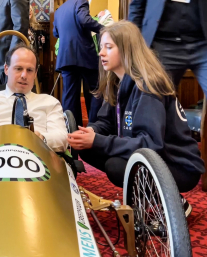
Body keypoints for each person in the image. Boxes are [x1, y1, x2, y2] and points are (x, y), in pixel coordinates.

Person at [67, 21, 205, 216]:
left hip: (178, 166)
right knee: (88, 148)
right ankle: (150, 196)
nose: (101, 53)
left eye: (109, 47)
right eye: (101, 47)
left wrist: (98, 140)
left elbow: (151, 144)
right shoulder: (118, 82)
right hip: (153, 155)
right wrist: (93, 133)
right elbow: (105, 123)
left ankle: (174, 202)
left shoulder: (148, 87)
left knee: (116, 167)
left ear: (126, 50)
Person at [0, 44, 67, 152]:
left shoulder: (50, 102)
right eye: (19, 69)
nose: (24, 75)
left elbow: (62, 139)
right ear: (6, 69)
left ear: (35, 73)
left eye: (29, 70)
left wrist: (42, 139)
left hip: (38, 157)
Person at [129, 0, 207, 96]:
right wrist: (135, 42)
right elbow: (137, 6)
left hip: (202, 45)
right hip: (163, 46)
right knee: (157, 99)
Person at [53, 0, 103, 128]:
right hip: (85, 55)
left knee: (69, 97)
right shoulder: (81, 1)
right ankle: (95, 128)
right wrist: (105, 29)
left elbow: (55, 32)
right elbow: (84, 20)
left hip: (66, 58)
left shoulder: (59, 10)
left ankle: (72, 129)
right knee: (96, 92)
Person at [28, 5, 45, 84]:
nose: (29, 11)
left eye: (31, 10)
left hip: (34, 56)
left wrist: (42, 41)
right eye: (27, 10)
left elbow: (41, 45)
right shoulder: (19, 26)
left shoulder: (36, 27)